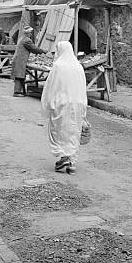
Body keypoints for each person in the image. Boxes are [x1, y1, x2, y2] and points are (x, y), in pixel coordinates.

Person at [41, 41, 87, 174]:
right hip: (77, 104)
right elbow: (82, 87)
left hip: (62, 104)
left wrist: (49, 102)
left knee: (59, 131)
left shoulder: (58, 66)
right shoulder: (78, 66)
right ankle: (72, 163)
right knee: (73, 132)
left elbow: (52, 85)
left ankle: (64, 157)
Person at [11, 26, 47, 97]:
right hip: (20, 60)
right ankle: (16, 92)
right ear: (28, 33)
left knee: (20, 75)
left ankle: (20, 91)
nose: (31, 34)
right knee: (19, 75)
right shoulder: (27, 40)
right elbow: (33, 49)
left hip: (19, 59)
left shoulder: (22, 38)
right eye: (30, 33)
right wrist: (43, 51)